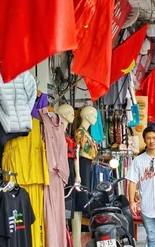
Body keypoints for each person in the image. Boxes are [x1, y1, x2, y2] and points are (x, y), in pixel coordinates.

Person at [72, 106, 99, 247]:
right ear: (87, 116)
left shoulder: (86, 133)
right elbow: (76, 153)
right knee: (79, 202)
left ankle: (79, 238)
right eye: (93, 115)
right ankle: (76, 240)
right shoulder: (80, 133)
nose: (95, 118)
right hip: (81, 166)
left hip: (87, 166)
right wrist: (77, 174)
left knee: (85, 200)